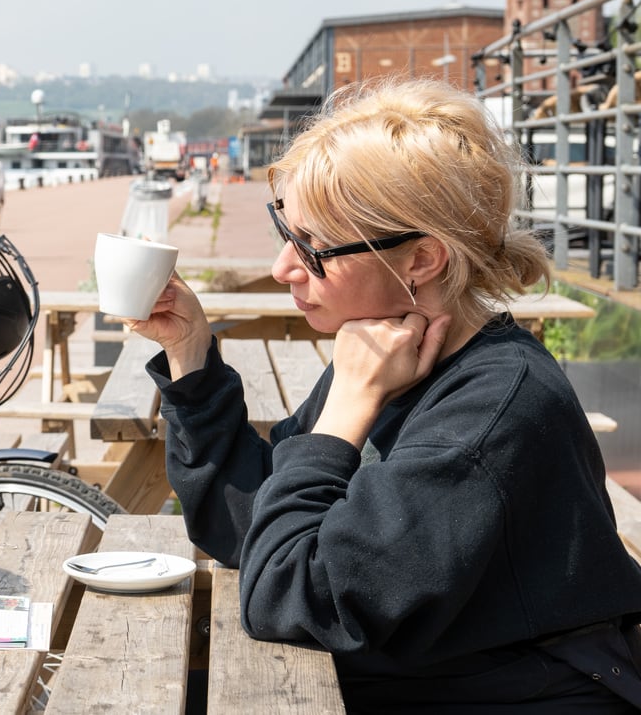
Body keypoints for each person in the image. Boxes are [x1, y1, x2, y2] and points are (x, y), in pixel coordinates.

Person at [127, 79, 641, 712]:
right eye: (285, 232)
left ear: (421, 259)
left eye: (312, 248)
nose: (285, 267)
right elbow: (256, 528)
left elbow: (292, 595)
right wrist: (190, 353)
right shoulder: (390, 350)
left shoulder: (491, 409)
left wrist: (344, 410)